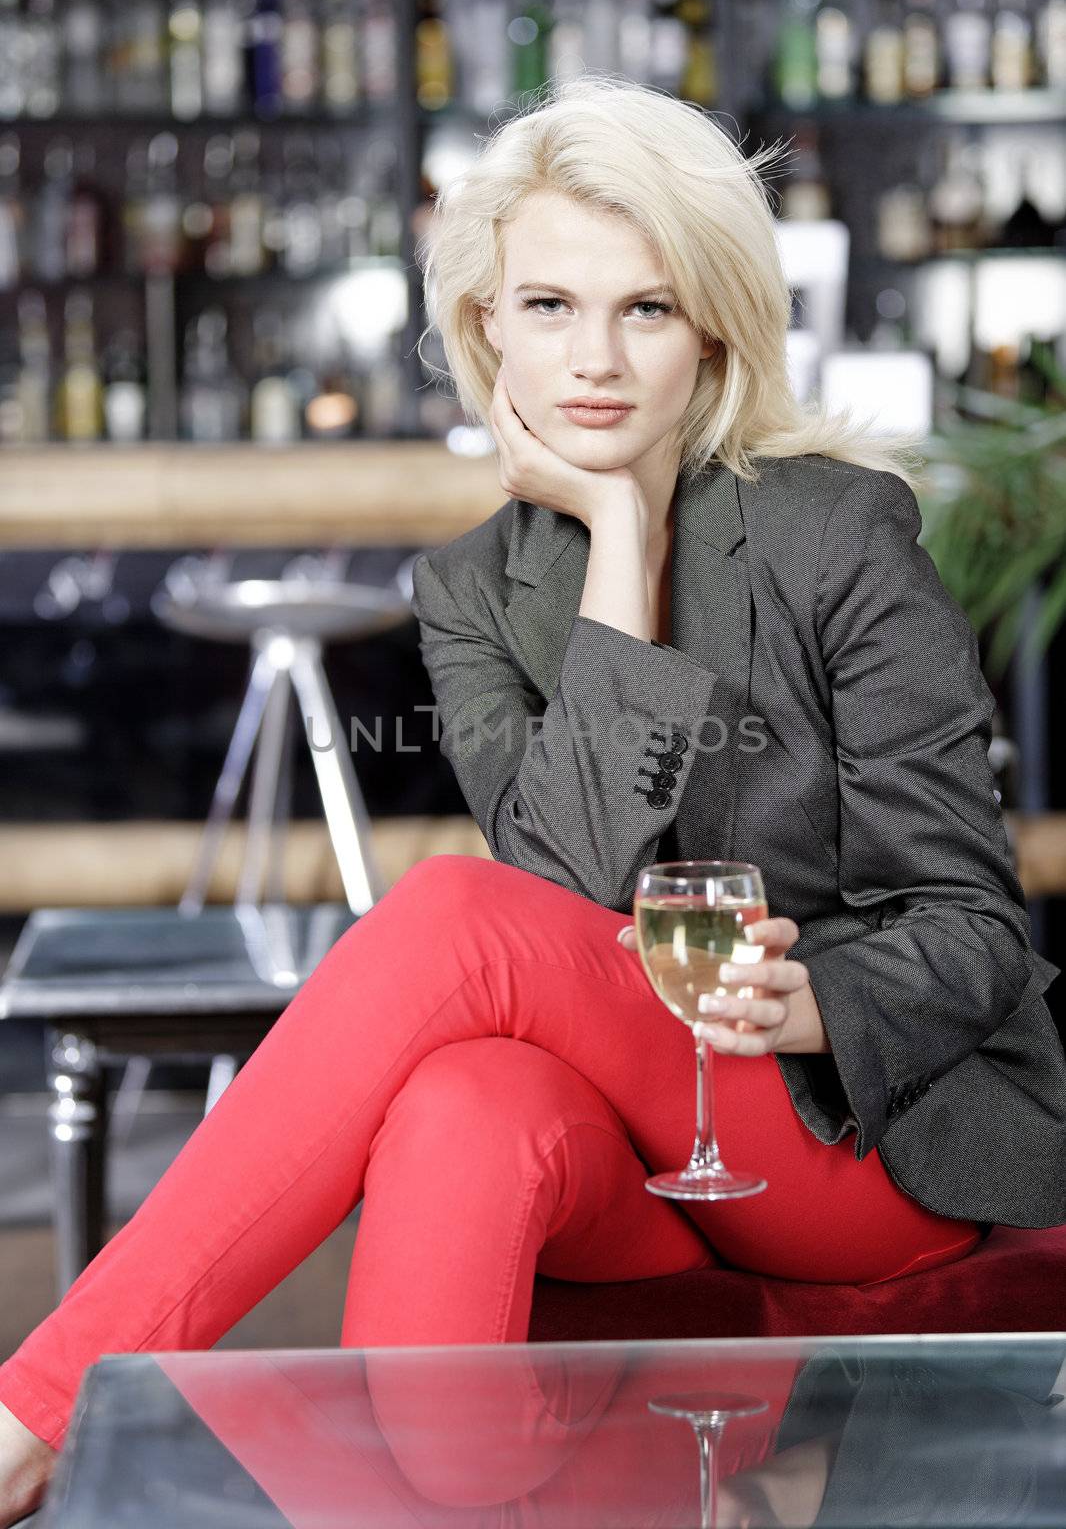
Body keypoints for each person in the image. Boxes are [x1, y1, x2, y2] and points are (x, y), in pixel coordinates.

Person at [2, 74, 1064, 1526]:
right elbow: (558, 891)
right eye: (551, 306)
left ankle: (31, 1412)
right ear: (486, 323)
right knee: (463, 1106)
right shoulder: (471, 592)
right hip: (617, 1164)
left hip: (845, 1136)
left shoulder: (836, 535)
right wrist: (618, 532)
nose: (598, 362)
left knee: (446, 917)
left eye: (645, 308)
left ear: (710, 323)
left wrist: (811, 1003)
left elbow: (969, 923)